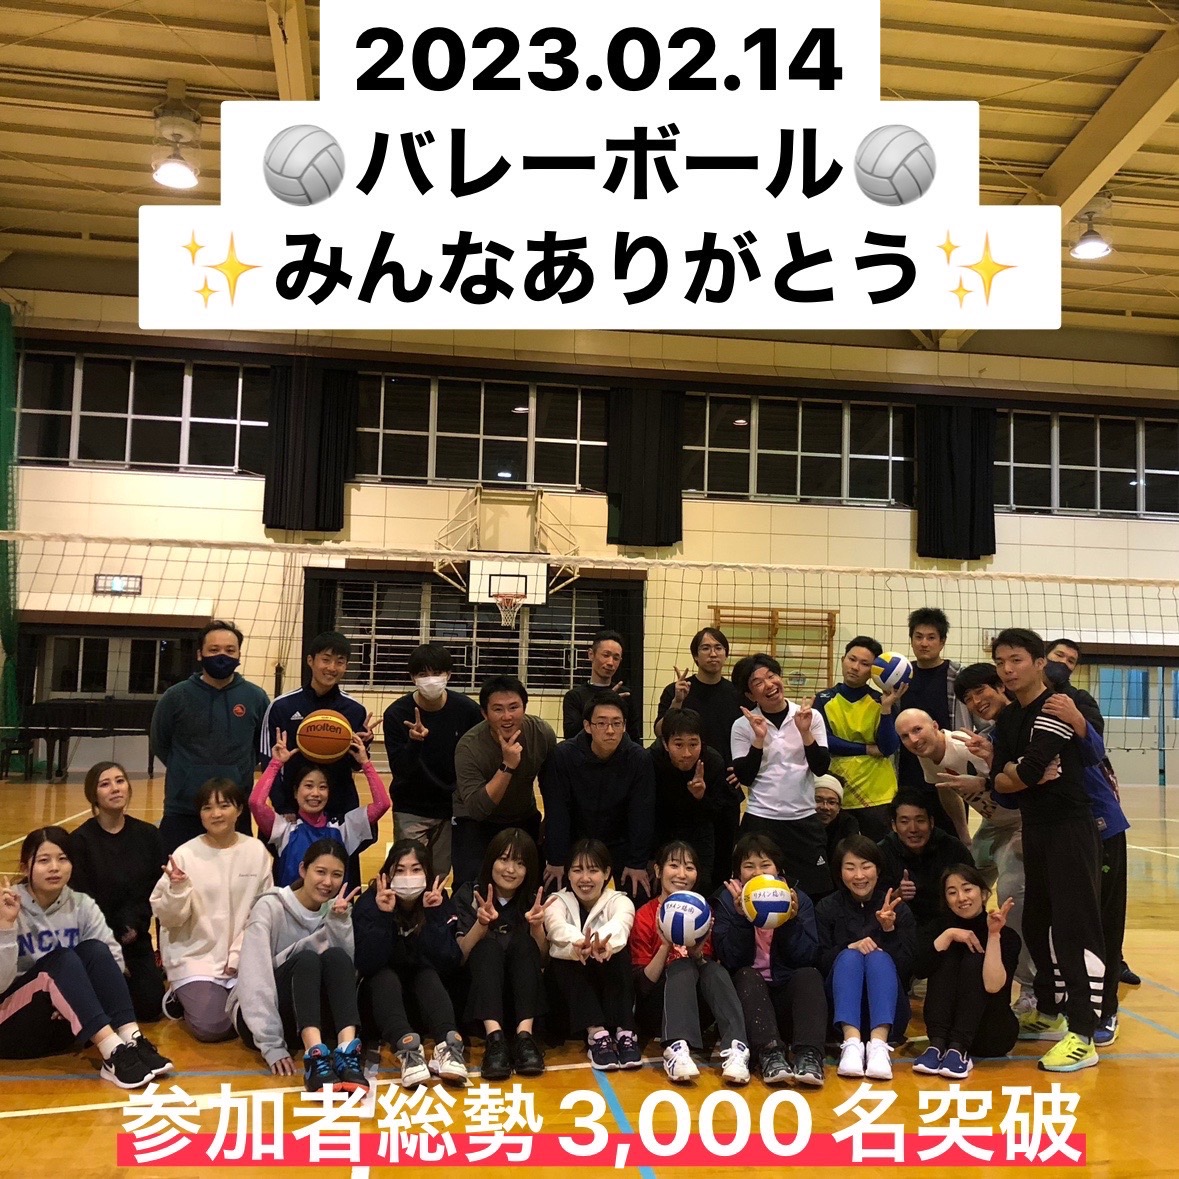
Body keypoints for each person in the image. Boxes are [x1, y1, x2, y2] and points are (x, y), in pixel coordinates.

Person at [989, 628, 1104, 1073]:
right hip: (1035, 828)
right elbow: (1001, 783)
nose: (1007, 670)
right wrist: (1017, 775)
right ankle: (1051, 1010)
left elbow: (1030, 769)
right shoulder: (1009, 718)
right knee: (1036, 923)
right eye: (1001, 662)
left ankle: (1083, 1034)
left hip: (1070, 828)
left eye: (1016, 660)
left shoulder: (1055, 706)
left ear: (1040, 663)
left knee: (1074, 929)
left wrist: (1017, 774)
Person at [0, 827, 172, 1086]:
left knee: (94, 950)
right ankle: (112, 1053)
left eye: (62, 859)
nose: (54, 867)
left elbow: (113, 962)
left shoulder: (82, 904)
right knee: (62, 960)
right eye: (44, 860)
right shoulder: (6, 905)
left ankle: (131, 1039)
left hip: (62, 1025)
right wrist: (6, 926)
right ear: (26, 867)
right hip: (11, 1026)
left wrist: (72, 998)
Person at [900, 683, 1033, 1006]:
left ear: (935, 725)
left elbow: (1017, 780)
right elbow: (946, 789)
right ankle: (951, 960)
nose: (913, 739)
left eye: (917, 730)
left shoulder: (963, 746)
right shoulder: (926, 755)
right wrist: (964, 834)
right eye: (905, 736)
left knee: (1012, 894)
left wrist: (1028, 827)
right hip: (991, 825)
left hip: (1019, 822)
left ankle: (1029, 986)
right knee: (957, 887)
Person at [230, 840, 367, 1093]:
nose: (328, 882)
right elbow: (254, 976)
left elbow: (344, 976)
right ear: (303, 869)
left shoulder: (336, 909)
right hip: (262, 1022)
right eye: (320, 872)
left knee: (337, 956)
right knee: (307, 959)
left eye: (336, 875)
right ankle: (315, 1058)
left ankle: (347, 1053)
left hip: (307, 1021)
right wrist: (271, 1044)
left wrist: (339, 922)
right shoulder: (269, 907)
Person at [1045, 639, 1140, 1001]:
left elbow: (1093, 745)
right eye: (1059, 656)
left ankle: (1109, 988)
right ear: (1042, 658)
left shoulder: (1078, 700)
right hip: (1061, 823)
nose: (1064, 663)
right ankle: (1065, 985)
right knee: (1066, 908)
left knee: (1104, 910)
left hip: (1100, 821)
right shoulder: (1021, 704)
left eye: (1071, 660)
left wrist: (1074, 716)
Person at [150, 779, 273, 1043]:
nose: (216, 814)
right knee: (213, 1028)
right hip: (197, 957)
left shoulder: (256, 851)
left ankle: (228, 998)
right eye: (207, 808)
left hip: (243, 957)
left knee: (264, 1021)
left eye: (224, 805)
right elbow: (169, 919)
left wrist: (238, 954)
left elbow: (262, 911)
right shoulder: (185, 855)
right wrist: (177, 889)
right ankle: (180, 995)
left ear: (239, 810)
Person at [629, 840, 750, 1085]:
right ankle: (675, 1049)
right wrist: (665, 945)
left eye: (690, 867)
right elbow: (642, 986)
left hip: (696, 1010)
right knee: (681, 965)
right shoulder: (644, 915)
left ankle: (736, 1048)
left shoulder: (703, 913)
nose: (682, 874)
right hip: (657, 1008)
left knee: (713, 968)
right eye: (674, 865)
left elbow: (704, 970)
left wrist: (696, 953)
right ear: (658, 870)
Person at [712, 834, 827, 1087]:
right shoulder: (727, 900)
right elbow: (730, 960)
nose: (757, 873)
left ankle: (809, 1055)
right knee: (746, 975)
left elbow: (808, 956)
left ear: (778, 869)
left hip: (785, 994)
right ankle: (770, 1055)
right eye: (748, 866)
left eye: (765, 865)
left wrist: (789, 922)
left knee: (809, 974)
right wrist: (742, 918)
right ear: (738, 872)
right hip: (749, 999)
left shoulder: (797, 898)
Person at [353, 840, 468, 1087]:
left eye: (416, 869)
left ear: (427, 873)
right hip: (381, 1003)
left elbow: (449, 961)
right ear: (387, 873)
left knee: (425, 973)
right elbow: (367, 964)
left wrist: (434, 917)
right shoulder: (370, 901)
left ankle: (447, 1045)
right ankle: (408, 1051)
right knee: (385, 975)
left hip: (423, 1003)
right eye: (400, 870)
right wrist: (383, 917)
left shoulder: (438, 899)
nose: (408, 877)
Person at [151, 619, 269, 854]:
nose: (222, 656)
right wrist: (189, 773)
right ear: (199, 654)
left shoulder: (255, 697)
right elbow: (160, 743)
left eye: (230, 650)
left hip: (234, 810)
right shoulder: (176, 696)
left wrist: (235, 772)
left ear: (239, 655)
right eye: (214, 650)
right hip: (183, 809)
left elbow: (261, 747)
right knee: (175, 873)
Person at [67, 763, 165, 1023]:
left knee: (149, 1006)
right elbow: (82, 900)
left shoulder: (148, 835)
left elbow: (155, 891)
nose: (115, 788)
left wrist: (134, 925)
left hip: (135, 937)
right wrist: (115, 931)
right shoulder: (80, 841)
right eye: (105, 784)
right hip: (97, 941)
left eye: (120, 781)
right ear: (93, 794)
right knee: (103, 1006)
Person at [730, 654, 831, 898]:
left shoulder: (809, 716)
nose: (769, 684)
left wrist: (805, 732)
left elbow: (821, 767)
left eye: (771, 676)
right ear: (750, 695)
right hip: (761, 819)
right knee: (758, 893)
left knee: (815, 891)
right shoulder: (742, 725)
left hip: (804, 818)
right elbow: (745, 777)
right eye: (758, 682)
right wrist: (759, 738)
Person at [815, 835, 914, 1081]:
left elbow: (908, 969)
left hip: (889, 1014)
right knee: (850, 956)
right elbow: (818, 962)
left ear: (878, 870)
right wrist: (849, 947)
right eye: (850, 867)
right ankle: (851, 1045)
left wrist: (889, 931)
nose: (859, 875)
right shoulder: (827, 908)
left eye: (866, 866)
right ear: (840, 872)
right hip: (839, 1015)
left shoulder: (897, 908)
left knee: (878, 959)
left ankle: (879, 1047)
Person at [453, 828, 548, 1080]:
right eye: (503, 859)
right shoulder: (469, 894)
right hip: (480, 1001)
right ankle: (494, 1041)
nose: (510, 869)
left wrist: (537, 928)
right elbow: (459, 956)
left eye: (520, 863)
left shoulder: (535, 900)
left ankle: (525, 1039)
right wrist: (480, 925)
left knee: (524, 944)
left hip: (521, 1003)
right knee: (487, 947)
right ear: (490, 860)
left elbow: (543, 959)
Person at [382, 643, 482, 880]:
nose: (431, 680)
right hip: (411, 808)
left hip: (451, 808)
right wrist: (414, 743)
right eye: (423, 674)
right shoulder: (396, 714)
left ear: (449, 675)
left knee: (439, 875)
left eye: (437, 673)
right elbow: (400, 770)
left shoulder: (468, 710)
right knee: (409, 873)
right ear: (412, 678)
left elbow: (476, 759)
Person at [910, 865, 1021, 1079]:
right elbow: (920, 970)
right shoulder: (938, 928)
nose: (961, 897)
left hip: (989, 1033)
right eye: (952, 892)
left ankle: (959, 1049)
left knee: (974, 958)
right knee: (946, 955)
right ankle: (938, 1046)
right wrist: (948, 935)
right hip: (943, 1033)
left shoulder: (1007, 935)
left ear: (984, 893)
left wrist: (993, 936)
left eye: (967, 889)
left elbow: (993, 986)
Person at [541, 694, 655, 900]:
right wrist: (556, 860)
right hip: (575, 843)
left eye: (616, 723)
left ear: (624, 726)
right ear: (587, 726)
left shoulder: (639, 758)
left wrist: (637, 863)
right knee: (554, 891)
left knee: (638, 890)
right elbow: (557, 811)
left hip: (619, 844)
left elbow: (641, 813)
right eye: (601, 723)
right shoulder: (563, 755)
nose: (610, 730)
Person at [654, 628, 745, 884]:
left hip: (721, 786)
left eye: (718, 648)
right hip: (679, 784)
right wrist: (677, 701)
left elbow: (753, 735)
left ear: (726, 654)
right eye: (705, 648)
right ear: (695, 656)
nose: (712, 653)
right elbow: (660, 731)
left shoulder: (737, 694)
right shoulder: (677, 690)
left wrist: (744, 769)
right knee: (676, 856)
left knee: (721, 860)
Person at [542, 839, 640, 1070]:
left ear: (606, 873)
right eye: (577, 870)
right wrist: (579, 944)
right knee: (563, 954)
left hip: (608, 997)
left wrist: (601, 944)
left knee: (619, 952)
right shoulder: (555, 901)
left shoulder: (620, 901)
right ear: (568, 873)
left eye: (593, 870)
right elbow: (556, 927)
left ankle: (625, 1032)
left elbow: (621, 925)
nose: (585, 878)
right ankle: (597, 1036)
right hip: (567, 1003)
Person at [452, 676, 557, 888]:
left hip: (523, 815)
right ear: (484, 713)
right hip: (475, 820)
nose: (507, 716)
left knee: (538, 881)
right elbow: (478, 809)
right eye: (498, 709)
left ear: (524, 707)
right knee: (469, 884)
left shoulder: (541, 733)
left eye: (514, 707)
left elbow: (552, 785)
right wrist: (507, 766)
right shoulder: (469, 747)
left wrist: (550, 821)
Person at [249, 730, 390, 888]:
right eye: (309, 786)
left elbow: (382, 804)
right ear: (295, 792)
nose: (315, 793)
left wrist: (365, 763)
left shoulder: (344, 828)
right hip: (291, 904)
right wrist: (275, 764)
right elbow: (256, 803)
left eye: (322, 787)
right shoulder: (284, 829)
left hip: (333, 904)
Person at [261, 631, 372, 815]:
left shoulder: (354, 710)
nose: (332, 668)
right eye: (326, 660)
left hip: (340, 809)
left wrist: (364, 745)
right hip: (293, 809)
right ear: (310, 660)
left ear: (346, 666)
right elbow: (268, 762)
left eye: (340, 662)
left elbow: (357, 766)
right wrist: (283, 807)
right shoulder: (282, 706)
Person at [813, 636, 905, 842]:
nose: (855, 667)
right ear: (843, 659)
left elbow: (888, 748)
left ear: (874, 671)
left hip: (877, 794)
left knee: (878, 852)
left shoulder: (881, 701)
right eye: (852, 659)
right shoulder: (823, 699)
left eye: (865, 664)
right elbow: (824, 741)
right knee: (838, 853)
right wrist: (867, 749)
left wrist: (887, 708)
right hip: (837, 792)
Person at [894, 607, 974, 836]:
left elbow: (984, 722)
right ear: (911, 639)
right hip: (909, 771)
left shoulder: (958, 675)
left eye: (931, 637)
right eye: (918, 637)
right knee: (912, 835)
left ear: (942, 641)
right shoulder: (899, 675)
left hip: (951, 770)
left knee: (952, 835)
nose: (924, 643)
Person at [875, 787, 974, 934]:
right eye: (904, 821)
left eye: (920, 820)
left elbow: (975, 890)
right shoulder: (881, 854)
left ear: (931, 822)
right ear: (894, 825)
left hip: (951, 928)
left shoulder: (953, 849)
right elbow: (870, 903)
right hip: (900, 930)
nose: (913, 829)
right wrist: (896, 895)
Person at [649, 708, 729, 891]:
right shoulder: (651, 761)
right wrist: (649, 856)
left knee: (701, 889)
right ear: (665, 744)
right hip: (661, 834)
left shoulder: (713, 762)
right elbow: (644, 811)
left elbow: (720, 816)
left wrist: (701, 797)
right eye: (678, 745)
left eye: (693, 744)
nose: (687, 753)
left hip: (700, 835)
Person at [562, 630, 643, 742]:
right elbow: (570, 736)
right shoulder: (574, 696)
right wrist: (601, 703)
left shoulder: (625, 695)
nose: (610, 662)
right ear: (591, 654)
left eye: (616, 658)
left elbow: (634, 738)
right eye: (606, 655)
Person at [813, 774, 859, 900]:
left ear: (839, 807)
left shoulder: (848, 824)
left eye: (832, 802)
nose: (825, 807)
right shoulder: (799, 826)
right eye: (818, 800)